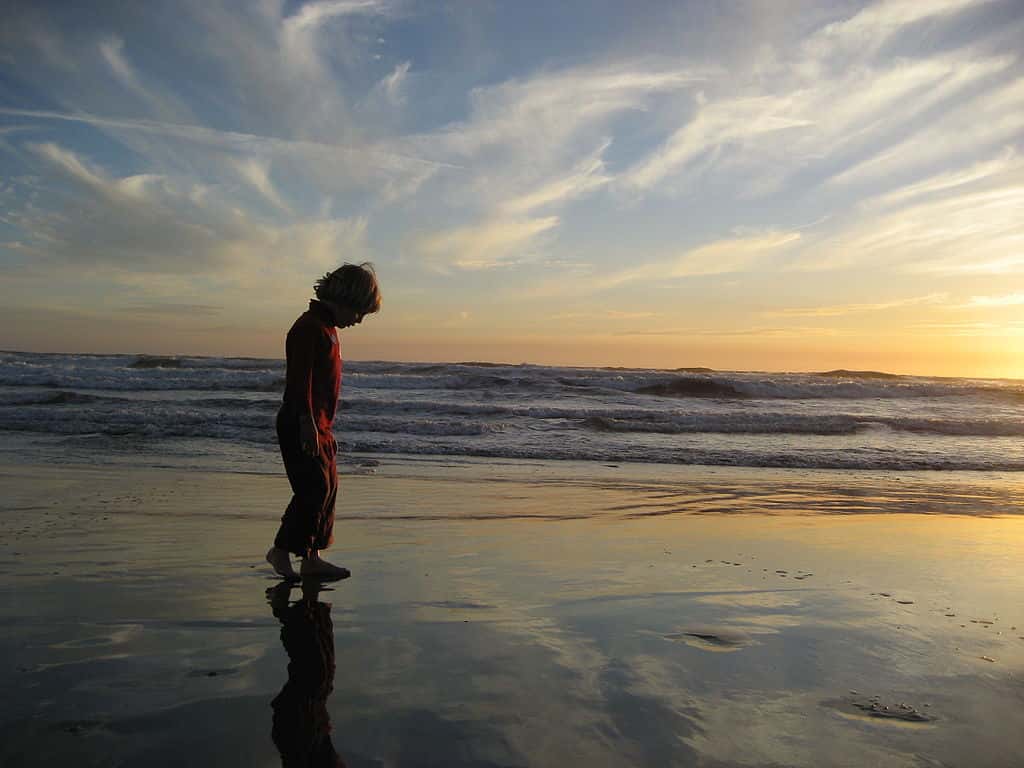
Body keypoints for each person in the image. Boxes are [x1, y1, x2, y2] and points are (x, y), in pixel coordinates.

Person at [267, 263, 381, 580]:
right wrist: (307, 424)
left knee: (328, 486)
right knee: (313, 488)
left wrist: (322, 426)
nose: (358, 321)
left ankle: (312, 556)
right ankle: (281, 550)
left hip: (319, 423)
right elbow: (299, 383)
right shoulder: (308, 328)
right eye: (358, 313)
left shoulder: (327, 329)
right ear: (343, 299)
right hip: (300, 421)